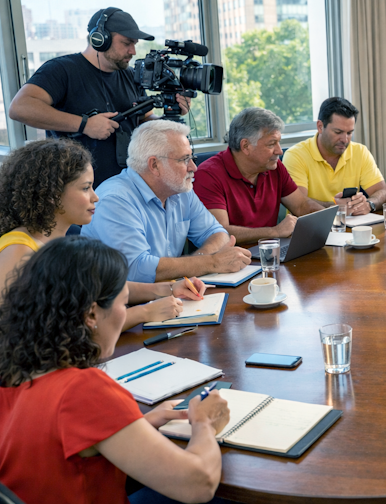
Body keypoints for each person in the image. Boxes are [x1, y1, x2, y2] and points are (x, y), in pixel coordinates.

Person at [0, 236, 231, 504]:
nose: (124, 314)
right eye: (124, 304)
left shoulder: (13, 375)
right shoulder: (82, 391)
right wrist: (205, 422)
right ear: (91, 315)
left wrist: (135, 424)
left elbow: (57, 443)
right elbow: (198, 484)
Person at [0, 138, 206, 331]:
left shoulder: (61, 244)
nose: (95, 197)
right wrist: (144, 312)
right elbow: (53, 332)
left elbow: (103, 288)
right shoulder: (19, 252)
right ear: (52, 194)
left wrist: (169, 289)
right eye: (85, 188)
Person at [7, 7, 189, 187]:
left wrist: (170, 114)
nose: (133, 51)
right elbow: (20, 108)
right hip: (78, 189)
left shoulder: (130, 75)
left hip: (128, 187)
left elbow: (145, 119)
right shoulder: (61, 70)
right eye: (127, 43)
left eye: (134, 44)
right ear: (100, 39)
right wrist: (84, 124)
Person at [81, 120, 251, 283]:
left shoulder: (180, 189)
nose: (193, 167)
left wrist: (201, 260)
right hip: (118, 300)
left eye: (192, 158)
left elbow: (217, 233)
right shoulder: (115, 200)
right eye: (184, 159)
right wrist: (211, 262)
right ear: (154, 165)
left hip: (169, 291)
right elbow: (137, 270)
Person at [194, 108, 324, 243]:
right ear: (246, 146)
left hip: (270, 251)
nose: (279, 151)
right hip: (231, 254)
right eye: (272, 144)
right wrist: (275, 232)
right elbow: (219, 233)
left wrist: (331, 219)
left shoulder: (274, 166)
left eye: (279, 142)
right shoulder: (208, 175)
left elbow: (301, 206)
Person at [282, 97, 386, 215]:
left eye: (349, 133)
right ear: (320, 126)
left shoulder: (360, 151)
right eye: (338, 132)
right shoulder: (295, 155)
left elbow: (382, 192)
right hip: (312, 225)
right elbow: (299, 204)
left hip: (351, 224)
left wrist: (369, 204)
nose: (345, 139)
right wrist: (336, 207)